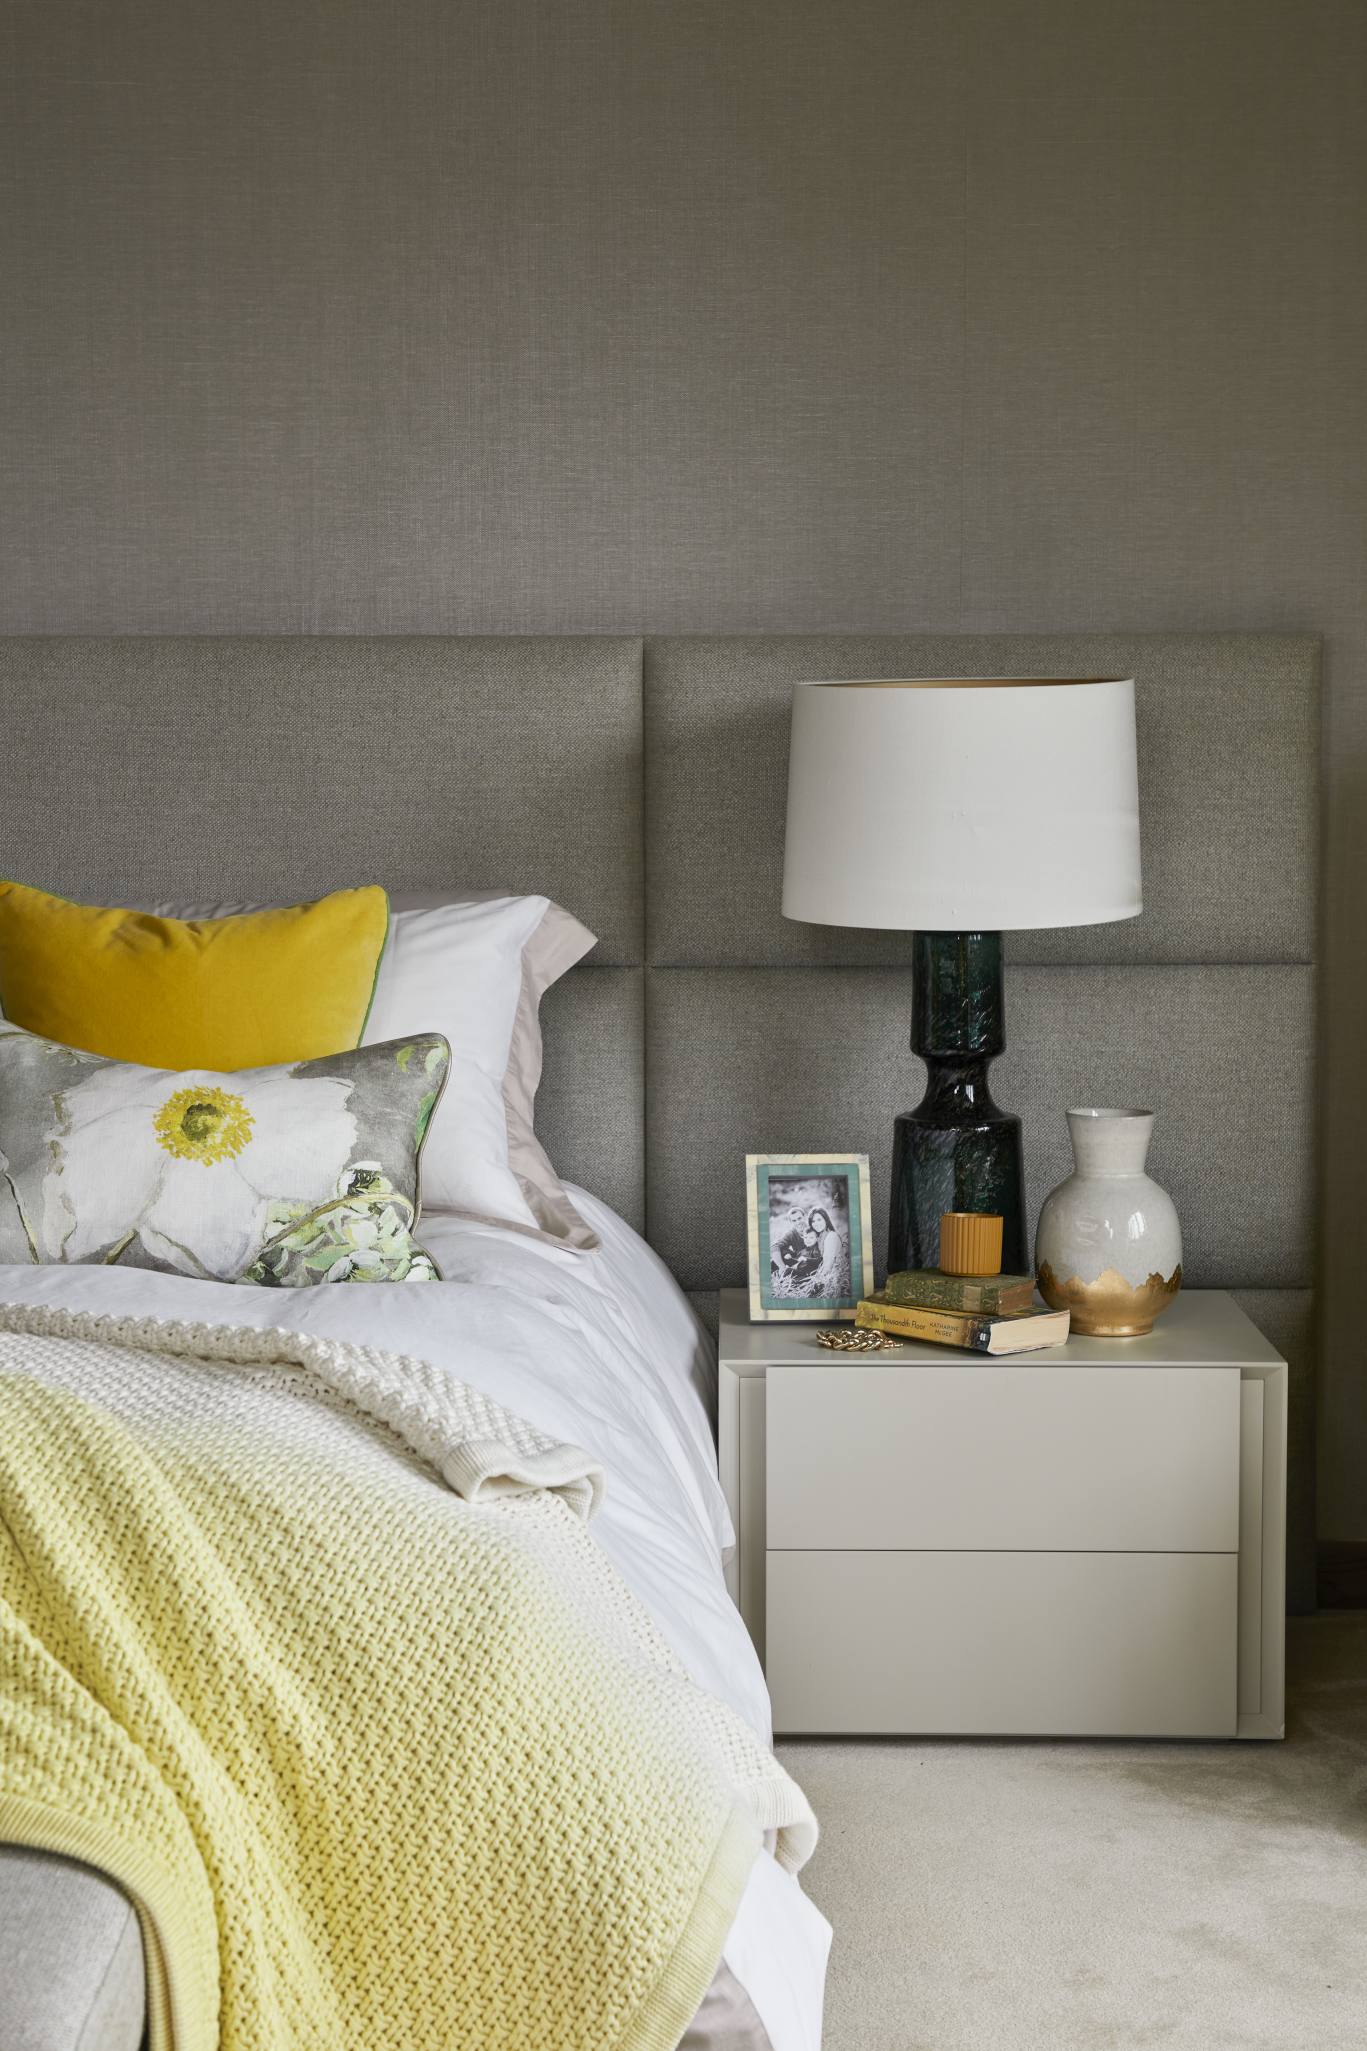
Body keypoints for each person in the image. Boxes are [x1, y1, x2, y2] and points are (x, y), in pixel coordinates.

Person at [802, 1205, 848, 1297]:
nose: (816, 1223)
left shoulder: (831, 1236)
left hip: (834, 1276)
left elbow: (828, 1265)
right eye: (813, 1221)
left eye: (819, 1219)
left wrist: (813, 1283)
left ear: (826, 1220)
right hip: (823, 1272)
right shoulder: (821, 1236)